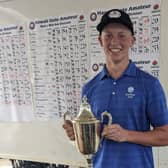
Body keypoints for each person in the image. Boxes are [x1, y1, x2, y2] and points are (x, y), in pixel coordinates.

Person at [63, 9, 168, 168]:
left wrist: (127, 135)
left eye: (121, 35)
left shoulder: (149, 84)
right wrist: (78, 135)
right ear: (100, 41)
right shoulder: (90, 88)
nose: (114, 42)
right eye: (108, 36)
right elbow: (94, 137)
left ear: (132, 41)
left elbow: (165, 135)